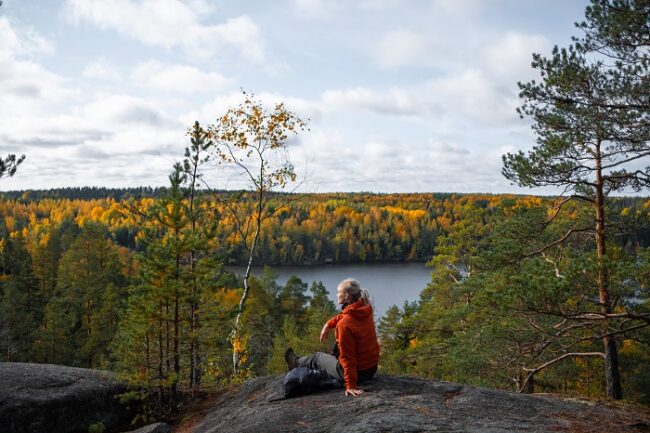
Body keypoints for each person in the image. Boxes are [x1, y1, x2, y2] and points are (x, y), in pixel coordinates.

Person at [285, 278, 380, 396]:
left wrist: (350, 385)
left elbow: (348, 358)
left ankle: (295, 363)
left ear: (347, 296)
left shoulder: (344, 325)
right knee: (336, 346)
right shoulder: (365, 310)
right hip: (370, 369)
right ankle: (329, 362)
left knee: (317, 357)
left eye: (338, 292)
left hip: (357, 373)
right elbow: (347, 315)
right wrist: (328, 324)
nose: (336, 294)